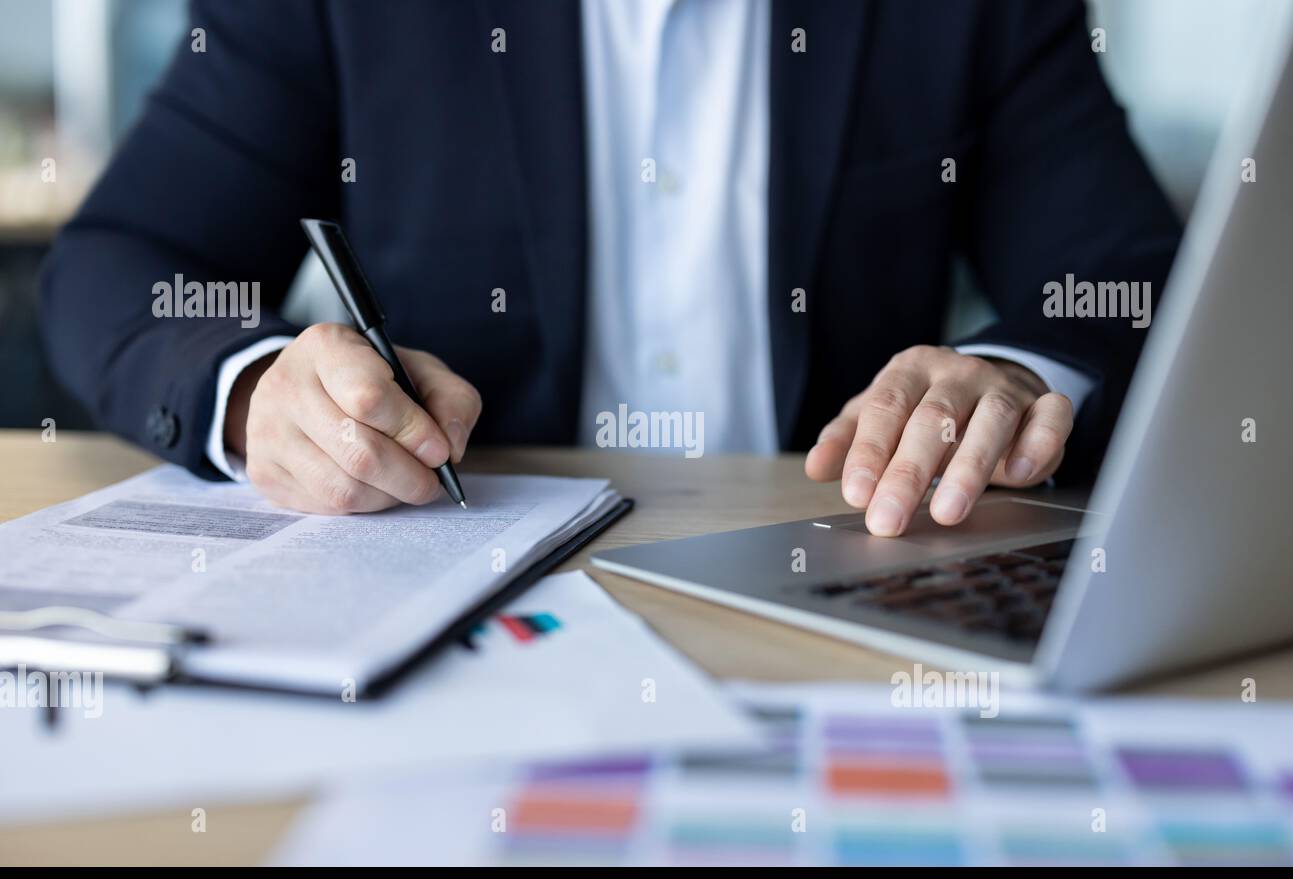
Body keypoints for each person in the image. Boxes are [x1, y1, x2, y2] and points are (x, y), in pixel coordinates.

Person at [41, 0, 1181, 536]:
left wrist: (1017, 377)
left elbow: (1125, 274)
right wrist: (253, 391)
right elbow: (125, 258)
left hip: (843, 574)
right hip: (463, 579)